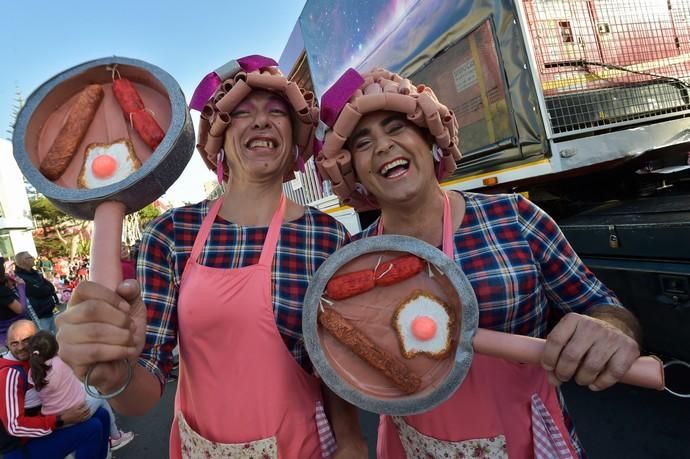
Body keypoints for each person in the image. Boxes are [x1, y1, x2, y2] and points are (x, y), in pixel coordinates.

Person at [316, 68, 643, 458]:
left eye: (396, 129)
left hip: (529, 440)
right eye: (364, 143)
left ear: (429, 140)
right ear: (355, 174)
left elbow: (604, 308)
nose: (384, 146)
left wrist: (609, 328)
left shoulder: (515, 218)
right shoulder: (354, 263)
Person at [56, 55, 366, 458]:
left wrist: (353, 441)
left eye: (277, 112)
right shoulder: (171, 233)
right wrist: (115, 373)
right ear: (219, 137)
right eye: (241, 113)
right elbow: (144, 389)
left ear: (294, 138)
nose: (260, 121)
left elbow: (334, 364)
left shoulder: (326, 237)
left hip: (303, 445)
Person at [0, 320, 111, 458]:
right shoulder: (9, 374)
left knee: (102, 415)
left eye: (26, 340)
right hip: (22, 447)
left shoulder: (38, 357)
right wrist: (60, 420)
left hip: (41, 426)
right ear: (7, 345)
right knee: (92, 429)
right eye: (14, 343)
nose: (21, 347)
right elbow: (14, 426)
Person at [27, 330, 135, 451]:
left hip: (55, 418)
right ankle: (116, 437)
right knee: (100, 397)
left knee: (81, 386)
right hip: (76, 411)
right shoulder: (62, 361)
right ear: (56, 347)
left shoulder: (33, 372)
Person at [14, 252, 59, 333]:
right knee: (46, 341)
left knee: (57, 339)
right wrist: (45, 289)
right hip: (39, 316)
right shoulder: (19, 277)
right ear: (23, 261)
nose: (33, 258)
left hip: (49, 311)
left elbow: (51, 287)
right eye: (30, 257)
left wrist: (45, 289)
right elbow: (38, 292)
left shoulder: (35, 273)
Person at [0, 257, 24, 343]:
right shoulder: (2, 290)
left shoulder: (3, 287)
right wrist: (21, 287)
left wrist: (11, 287)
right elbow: (21, 310)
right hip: (12, 335)